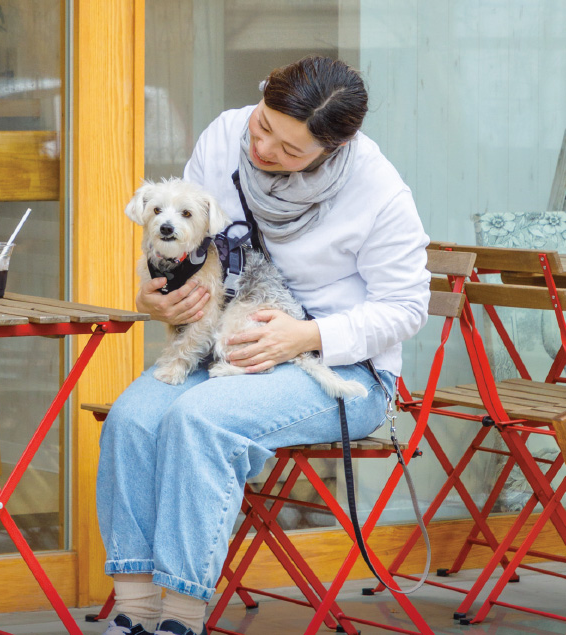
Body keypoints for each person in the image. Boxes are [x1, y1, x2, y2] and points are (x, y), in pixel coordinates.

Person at [97, 55, 431, 635]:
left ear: (334, 148)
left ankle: (179, 618)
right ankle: (134, 611)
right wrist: (154, 298)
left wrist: (304, 335)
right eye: (262, 126)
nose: (263, 149)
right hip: (226, 348)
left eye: (289, 149)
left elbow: (406, 309)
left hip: (342, 372)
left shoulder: (379, 190)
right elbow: (186, 244)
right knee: (132, 418)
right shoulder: (225, 135)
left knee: (200, 420)